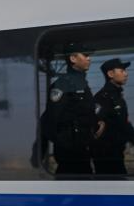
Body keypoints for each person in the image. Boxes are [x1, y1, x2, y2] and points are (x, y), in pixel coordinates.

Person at [40, 42, 104, 175]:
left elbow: (82, 114)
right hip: (71, 156)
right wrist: (68, 145)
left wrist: (96, 125)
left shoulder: (81, 84)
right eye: (85, 55)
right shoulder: (63, 85)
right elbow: (52, 120)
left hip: (83, 152)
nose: (89, 59)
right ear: (73, 58)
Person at [91, 58, 134, 175]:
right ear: (110, 74)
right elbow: (96, 124)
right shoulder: (103, 97)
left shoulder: (116, 97)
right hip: (106, 157)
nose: (126, 74)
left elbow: (124, 125)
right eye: (122, 70)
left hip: (115, 154)